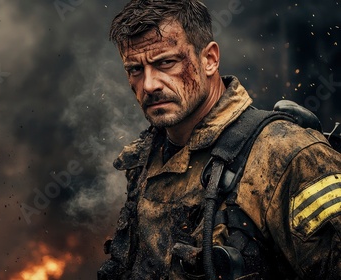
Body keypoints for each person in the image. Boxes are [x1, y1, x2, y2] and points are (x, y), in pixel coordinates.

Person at [97, 0, 341, 279]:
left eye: (166, 62)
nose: (149, 85)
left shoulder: (288, 154)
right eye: (135, 70)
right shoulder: (145, 157)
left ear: (209, 59)